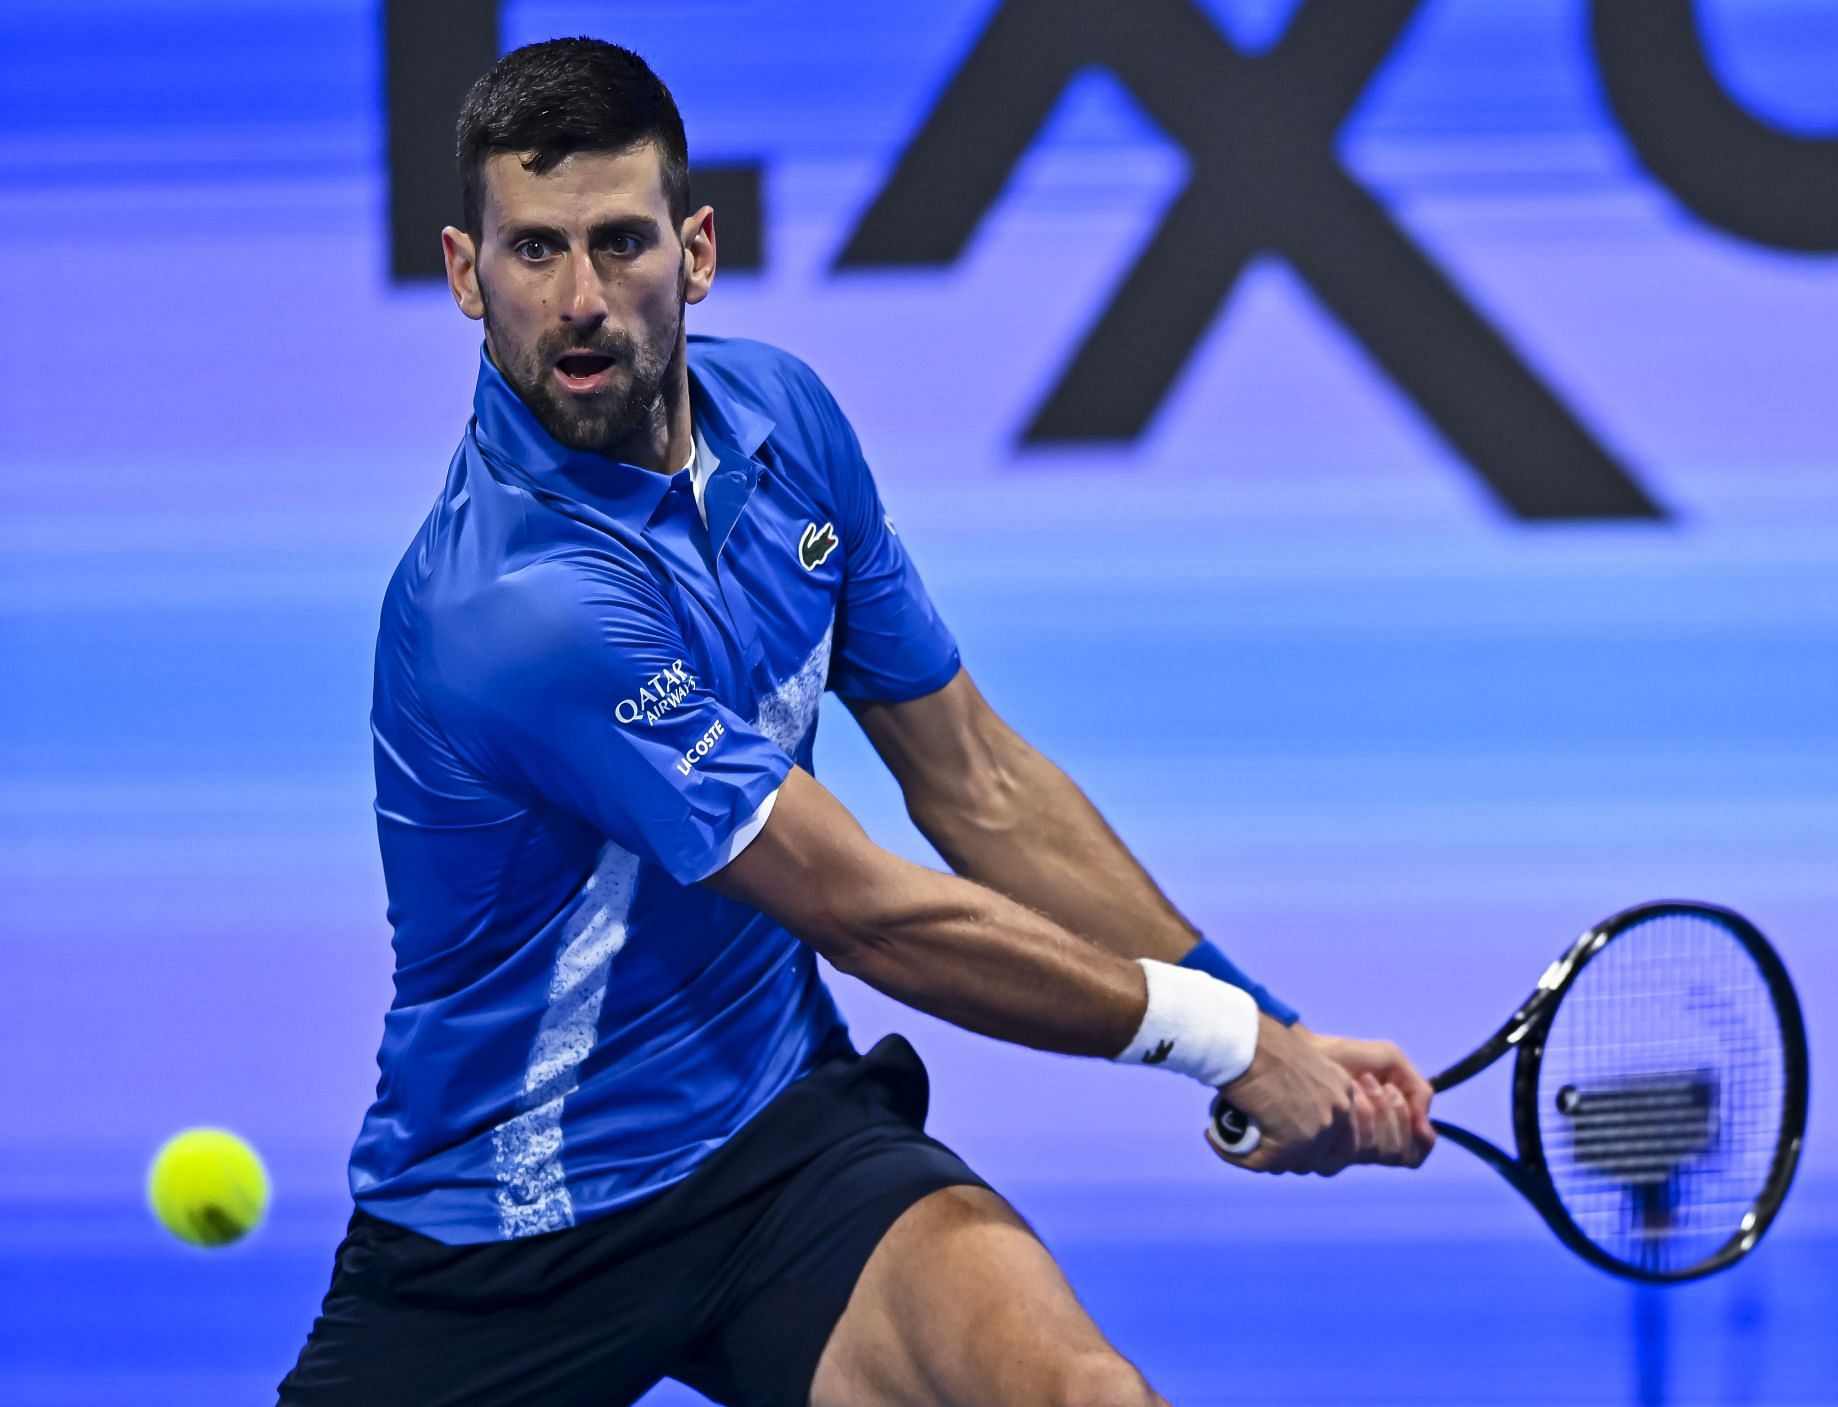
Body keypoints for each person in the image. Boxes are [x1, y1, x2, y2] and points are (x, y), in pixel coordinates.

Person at [279, 36, 1436, 1407]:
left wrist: (1269, 1028)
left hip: (778, 1142)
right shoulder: (514, 606)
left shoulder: (788, 423)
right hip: (502, 1234)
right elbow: (867, 911)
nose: (581, 301)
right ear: (468, 275)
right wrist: (1225, 1045)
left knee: (1082, 1397)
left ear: (696, 252)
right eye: (534, 252)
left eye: (621, 243)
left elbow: (979, 784)